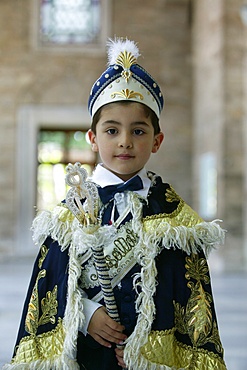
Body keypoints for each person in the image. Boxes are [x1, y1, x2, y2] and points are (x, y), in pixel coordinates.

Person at [3, 38, 227, 370]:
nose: (124, 141)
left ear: (157, 141)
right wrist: (87, 316)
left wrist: (148, 345)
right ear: (93, 139)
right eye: (112, 130)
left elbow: (186, 298)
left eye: (138, 131)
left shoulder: (177, 221)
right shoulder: (67, 215)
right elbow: (50, 288)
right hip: (87, 354)